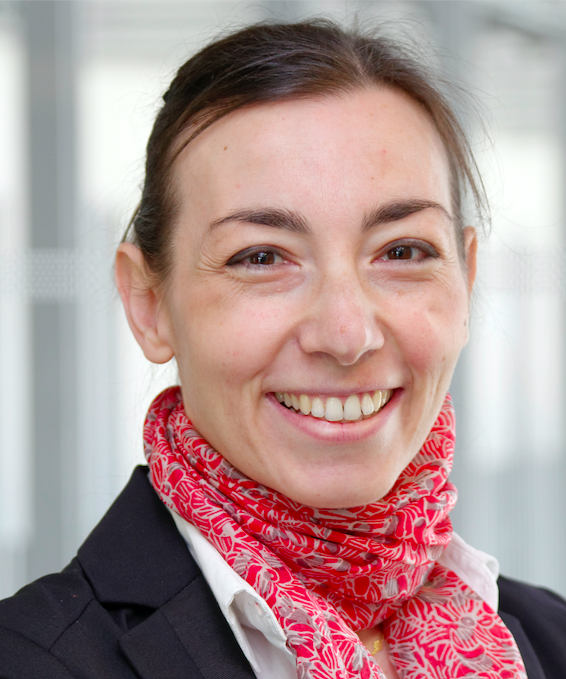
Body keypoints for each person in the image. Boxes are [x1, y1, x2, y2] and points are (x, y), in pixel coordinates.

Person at [1, 18, 565, 679]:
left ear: (465, 282)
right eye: (262, 257)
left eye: (403, 251)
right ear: (149, 304)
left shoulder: (551, 637)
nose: (347, 335)